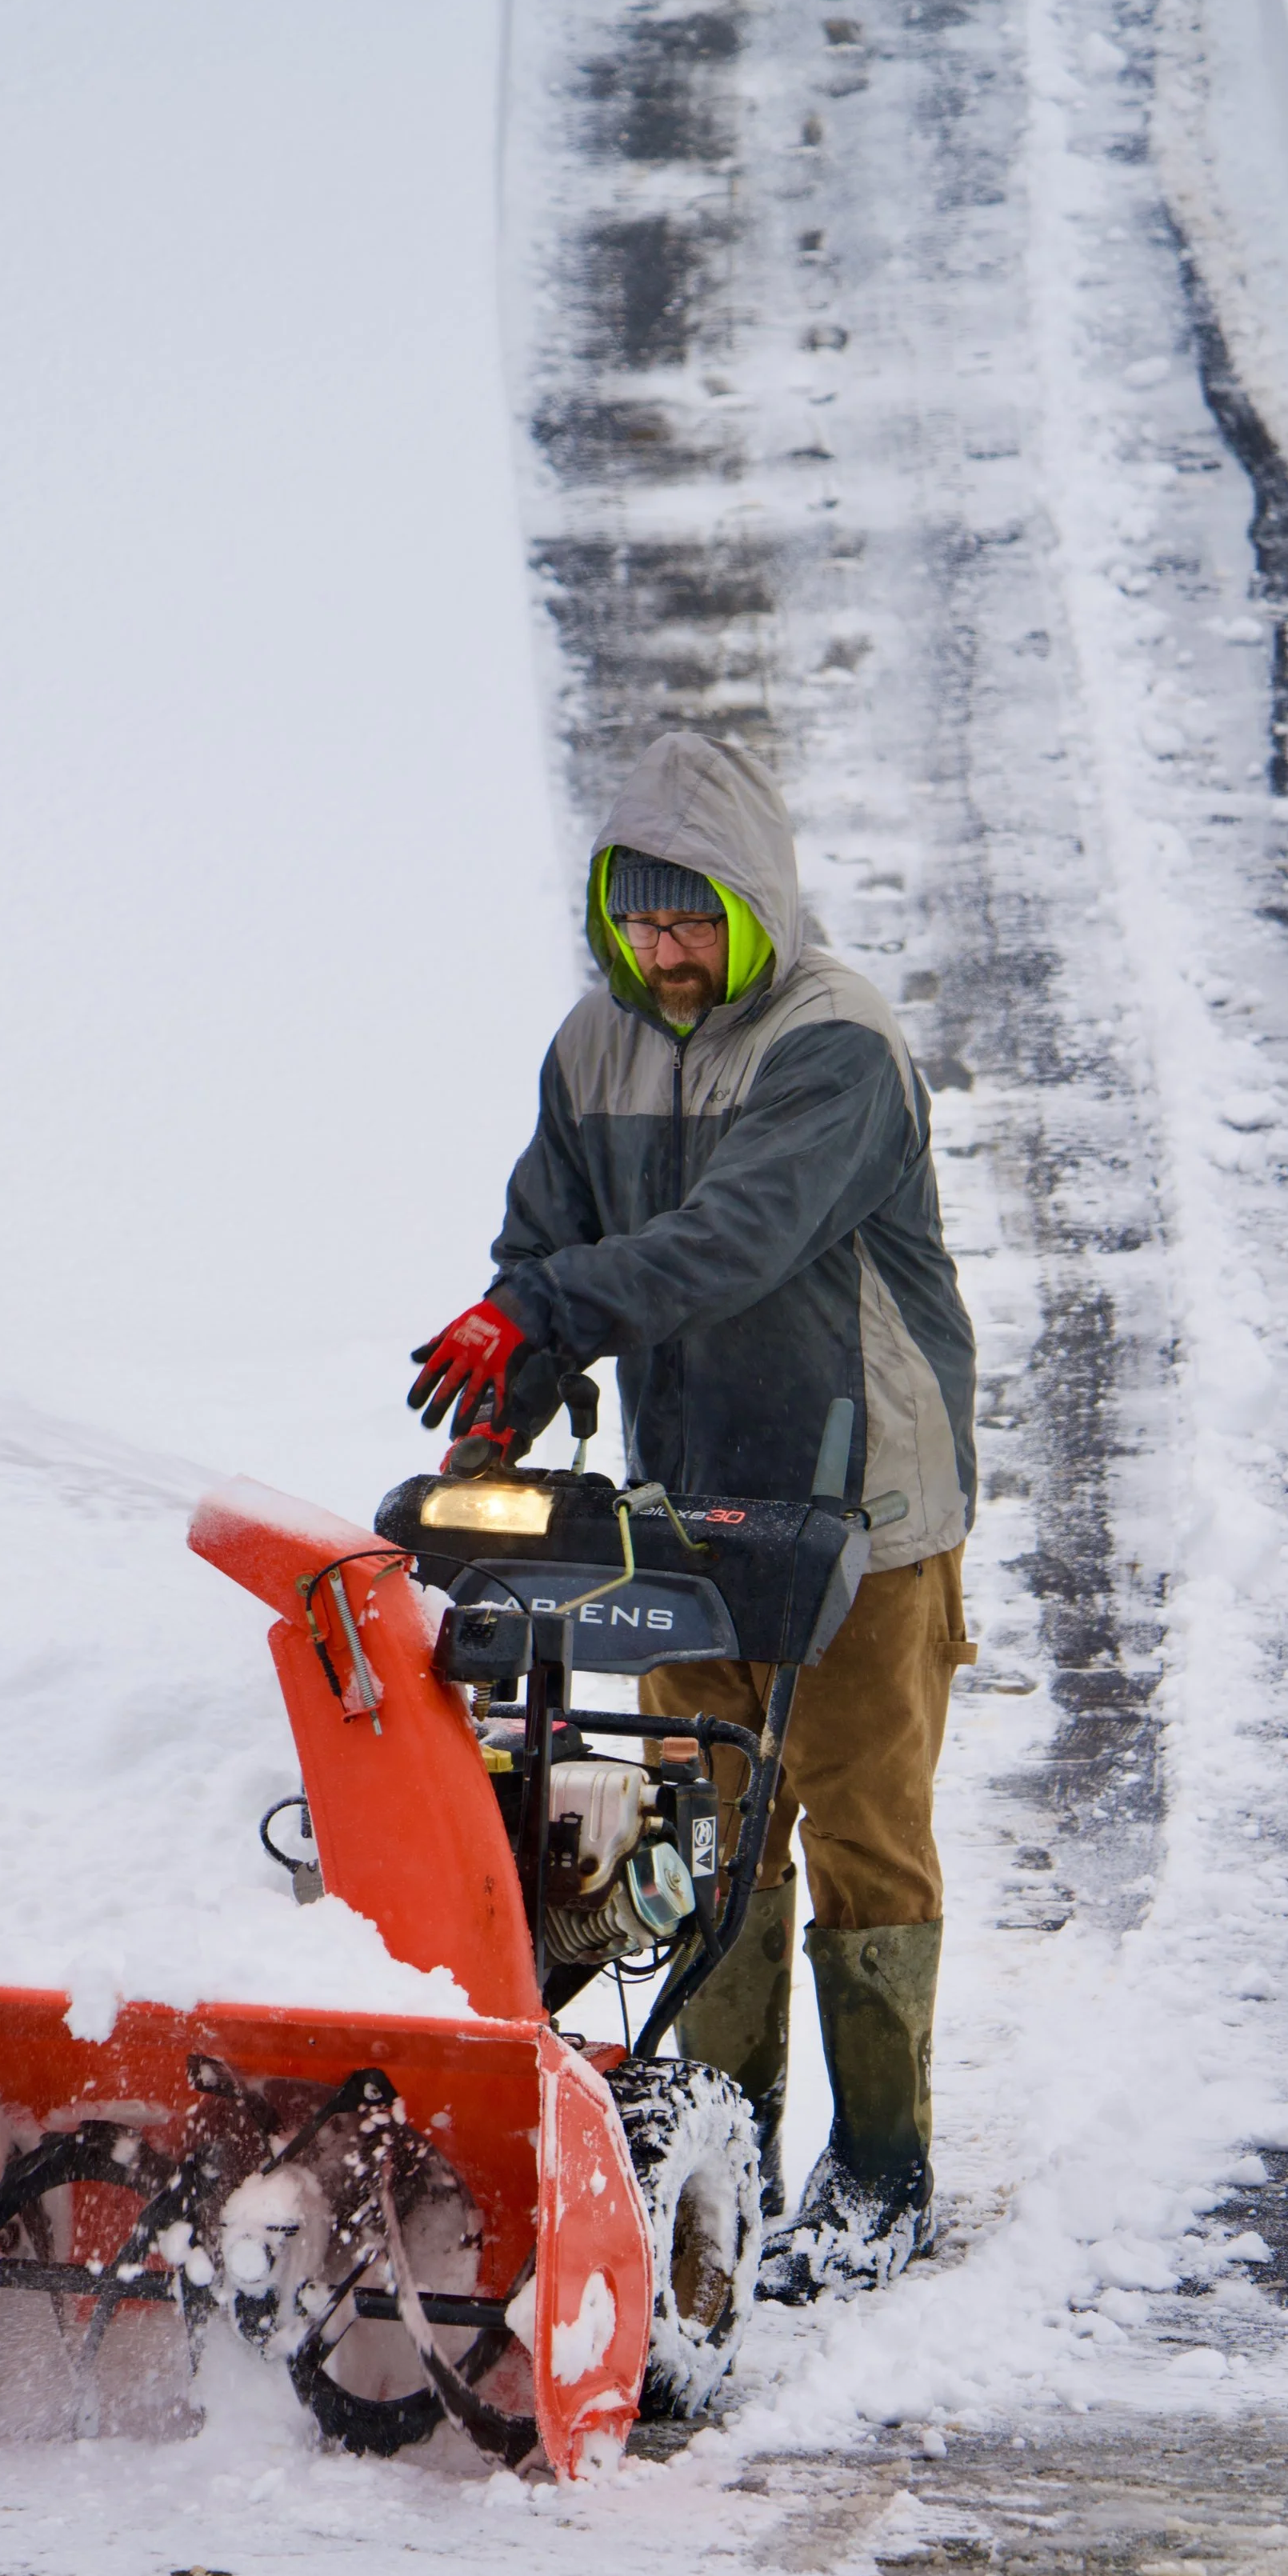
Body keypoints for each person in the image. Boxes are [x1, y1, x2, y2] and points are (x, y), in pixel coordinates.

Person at [407, 732, 977, 2296]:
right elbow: (545, 1248)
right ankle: (723, 2148)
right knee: (705, 1824)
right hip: (689, 1509)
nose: (660, 950)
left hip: (865, 1505)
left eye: (689, 918)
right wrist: (505, 1387)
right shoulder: (592, 1049)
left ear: (752, 904)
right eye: (635, 917)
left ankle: (882, 2169)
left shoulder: (834, 1043)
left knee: (860, 1828)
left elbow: (733, 1240)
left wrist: (548, 1308)